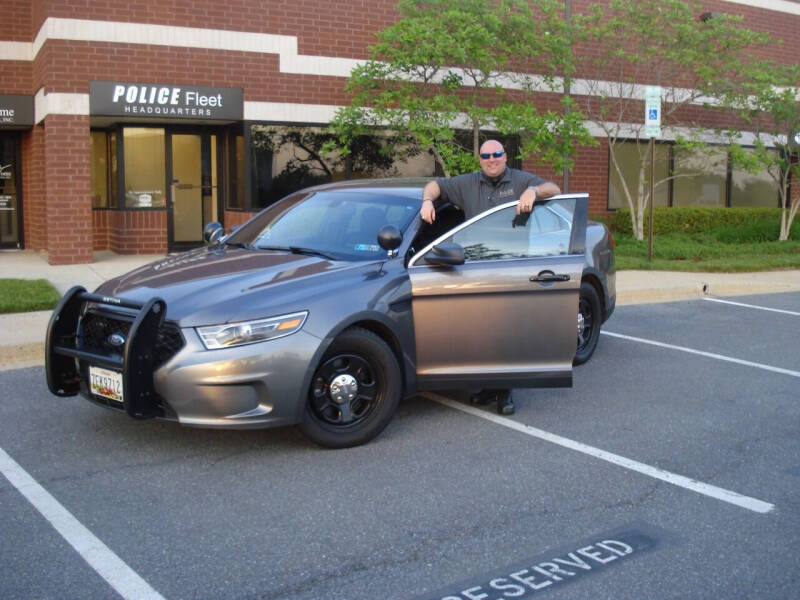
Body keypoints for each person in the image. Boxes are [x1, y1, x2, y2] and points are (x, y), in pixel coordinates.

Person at [419, 139, 561, 415]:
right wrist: (427, 201)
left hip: (511, 267)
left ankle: (505, 393)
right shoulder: (468, 184)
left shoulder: (520, 180)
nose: (492, 159)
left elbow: (554, 188)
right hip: (476, 268)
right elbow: (436, 186)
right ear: (480, 159)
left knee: (506, 333)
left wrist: (532, 191)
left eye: (497, 154)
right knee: (482, 333)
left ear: (505, 156)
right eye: (486, 155)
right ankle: (488, 387)